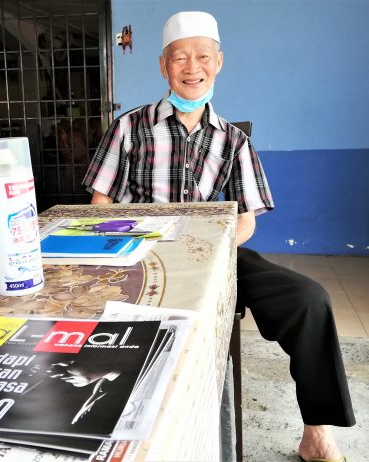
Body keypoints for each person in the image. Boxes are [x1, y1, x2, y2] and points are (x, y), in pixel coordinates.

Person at [82, 11, 355, 462]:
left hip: (210, 254)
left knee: (309, 300)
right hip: (140, 254)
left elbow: (246, 220)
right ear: (163, 66)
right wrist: (124, 249)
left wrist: (213, 254)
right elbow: (100, 203)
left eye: (203, 57)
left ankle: (317, 433)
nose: (192, 68)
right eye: (180, 57)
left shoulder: (233, 141)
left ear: (219, 62)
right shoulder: (128, 127)